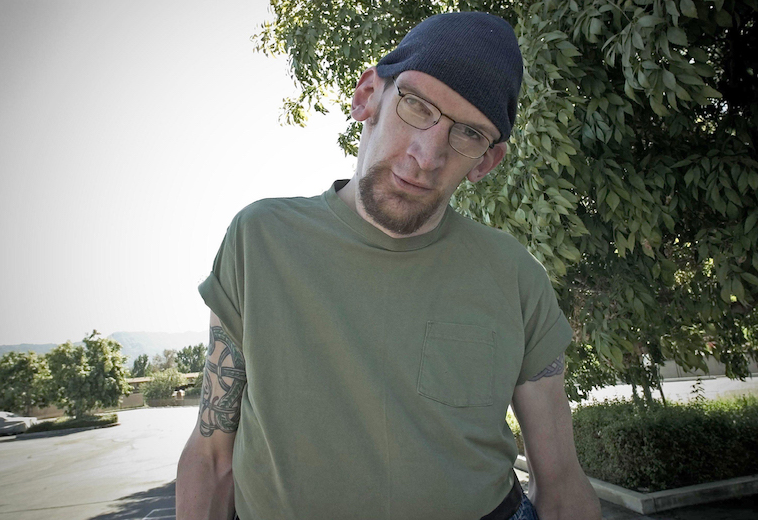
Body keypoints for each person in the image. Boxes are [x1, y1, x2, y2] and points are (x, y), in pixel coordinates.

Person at [176, 11, 602, 520]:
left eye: (468, 133)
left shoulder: (515, 275)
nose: (427, 155)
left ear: (487, 162)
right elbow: (212, 456)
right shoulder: (259, 239)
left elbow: (561, 484)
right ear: (367, 97)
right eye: (416, 105)